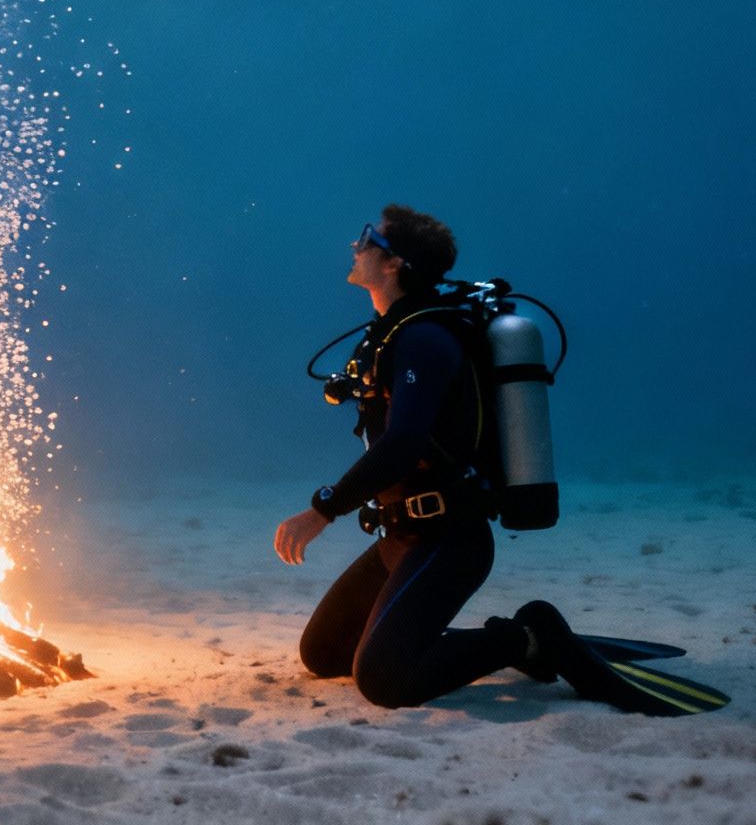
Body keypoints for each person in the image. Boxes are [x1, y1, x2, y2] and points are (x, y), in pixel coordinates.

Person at [272, 205, 719, 715]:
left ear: (394, 264)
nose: (356, 246)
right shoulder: (389, 334)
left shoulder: (423, 339)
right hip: (399, 538)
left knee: (383, 680)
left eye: (367, 238)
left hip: (448, 541)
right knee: (325, 655)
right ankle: (416, 634)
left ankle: (529, 638)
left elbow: (405, 444)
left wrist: (323, 509)